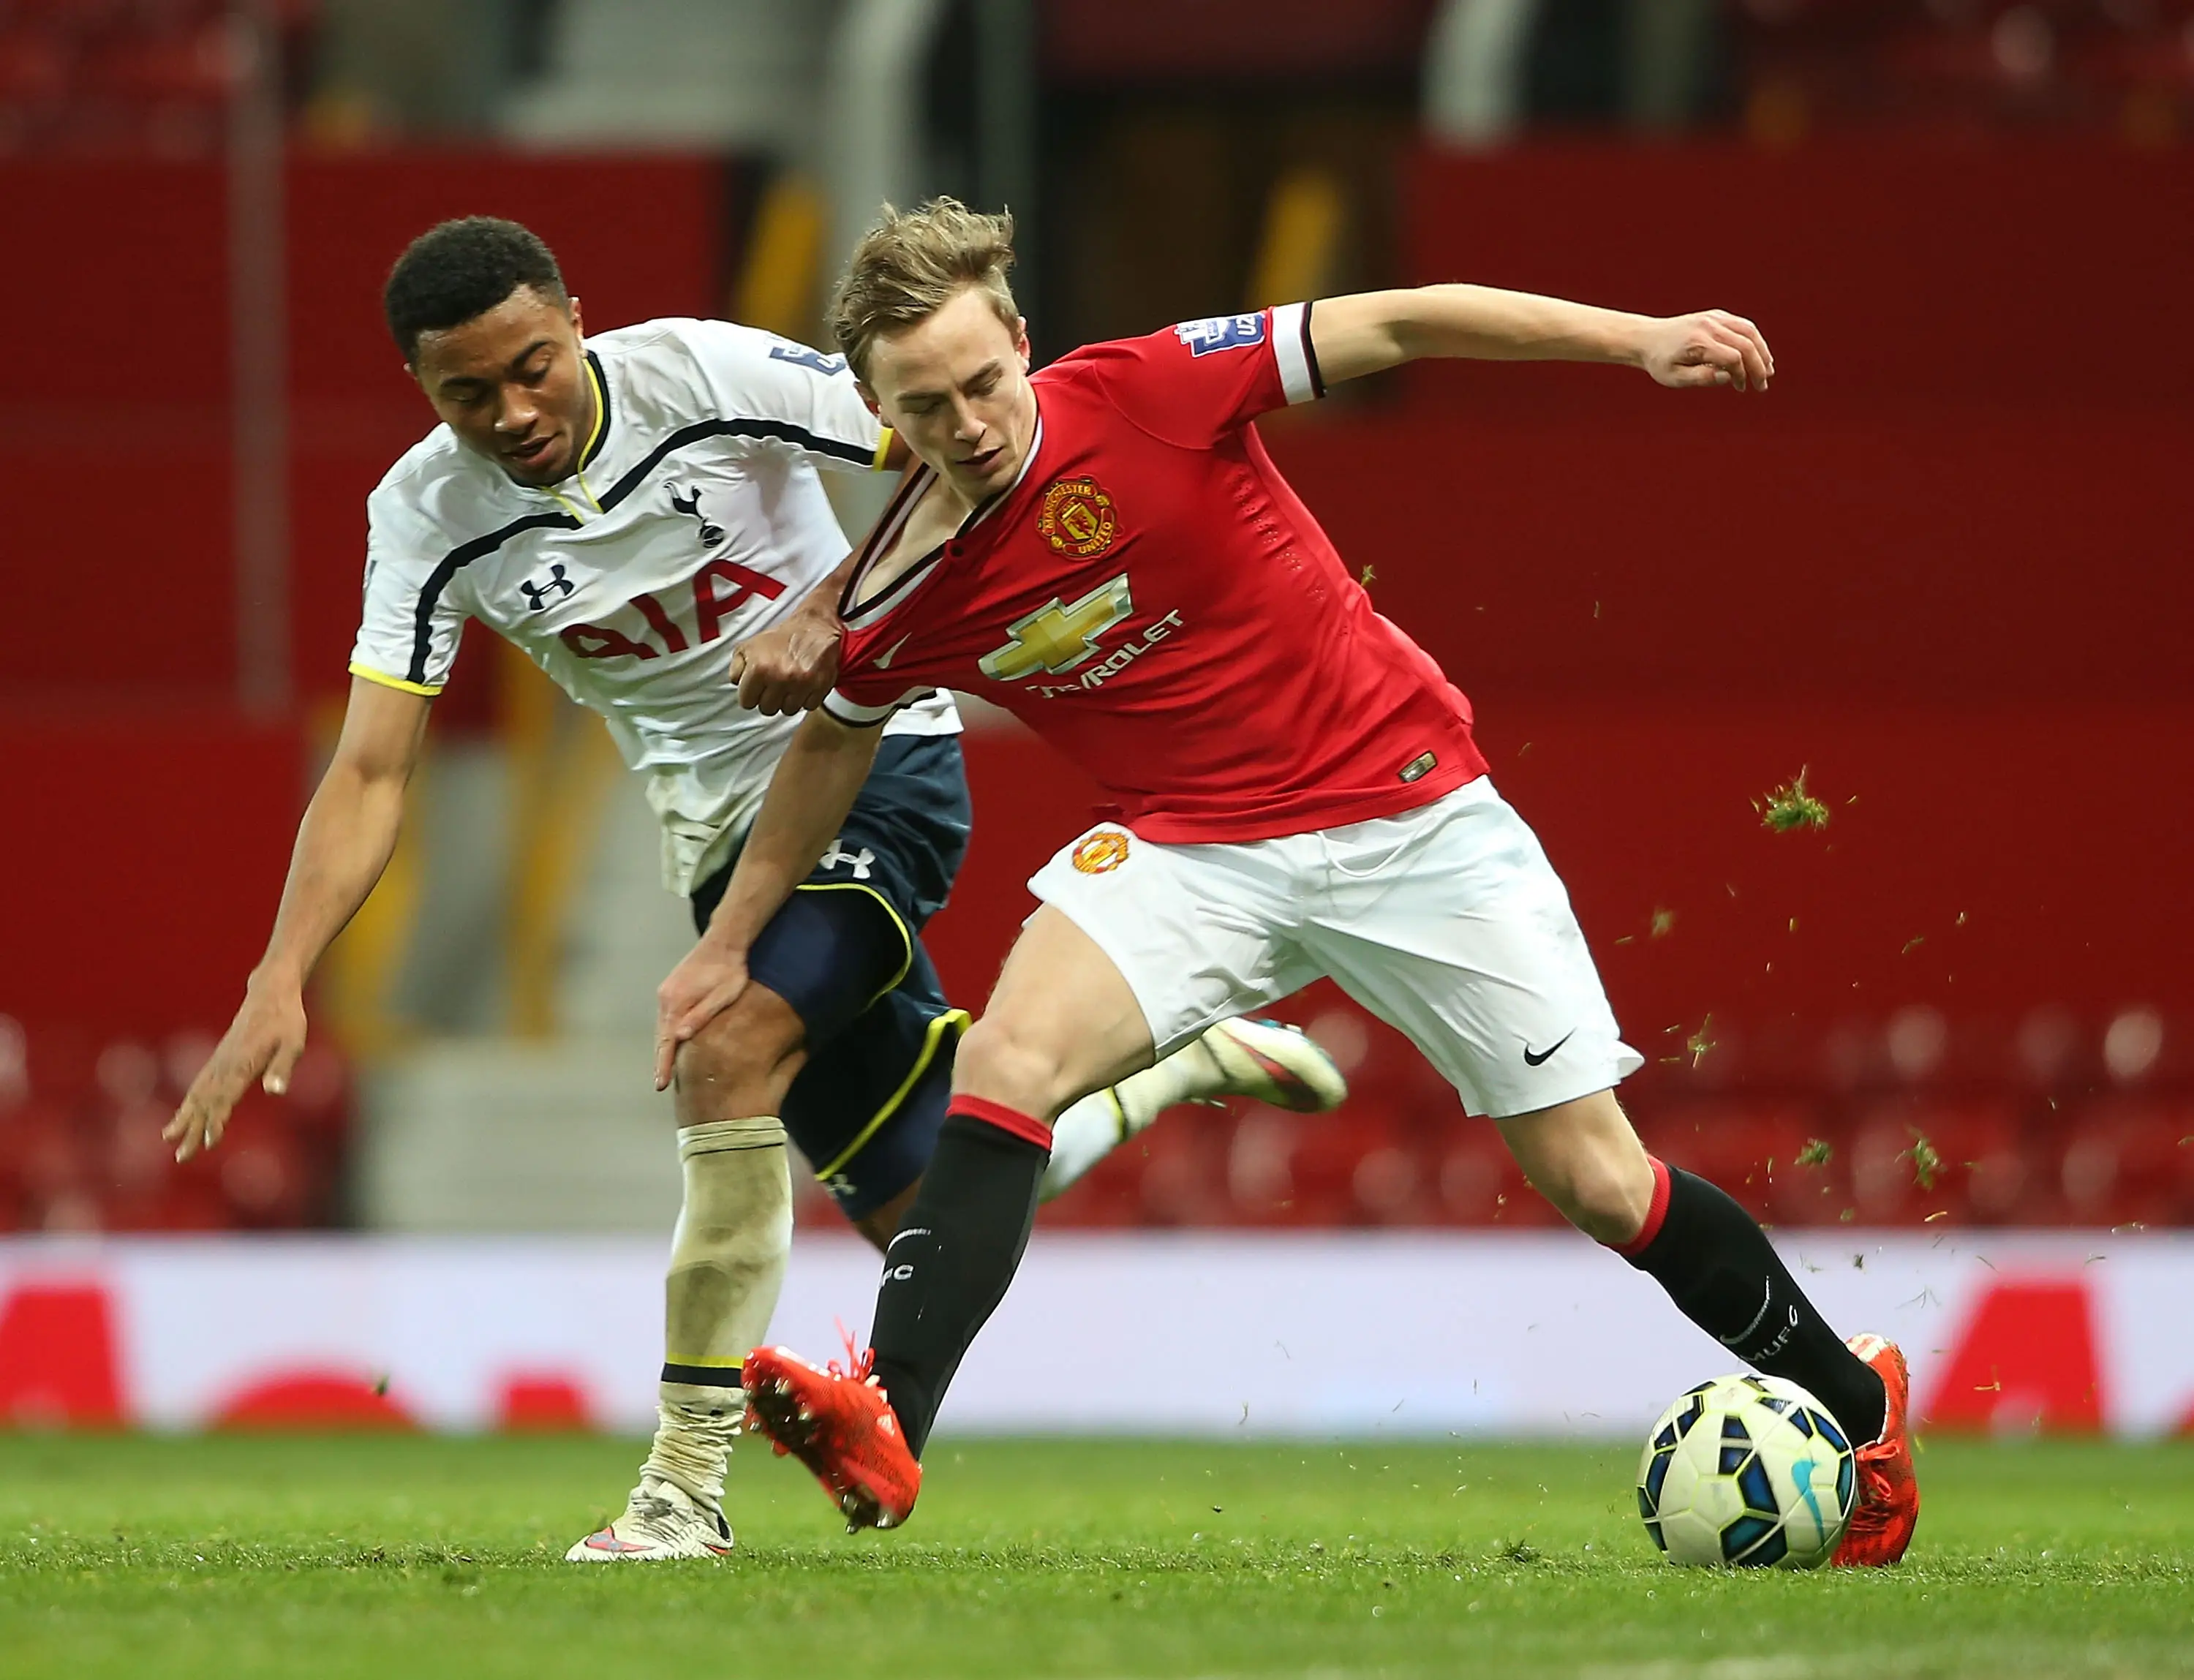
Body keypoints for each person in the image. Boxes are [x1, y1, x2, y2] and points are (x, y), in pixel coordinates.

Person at [687, 198, 1920, 1567]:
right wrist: (728, 943)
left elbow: (1398, 319)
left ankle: (1862, 1414)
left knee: (1598, 1180)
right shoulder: (898, 595)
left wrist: (1641, 342)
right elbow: (825, 750)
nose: (970, 423)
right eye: (927, 409)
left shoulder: (1149, 387)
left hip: (1409, 814)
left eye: (985, 382)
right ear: (880, 411)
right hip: (1187, 845)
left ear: (1023, 343)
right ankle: (892, 1423)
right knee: (1009, 1062)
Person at [160, 216, 1347, 1564]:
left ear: (576, 321)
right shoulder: (427, 513)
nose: (515, 411)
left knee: (726, 1051)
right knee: (921, 1205)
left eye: (535, 367)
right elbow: (374, 769)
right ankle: (1163, 1072)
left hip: (873, 763)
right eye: (469, 394)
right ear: (426, 394)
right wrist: (280, 973)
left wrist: (837, 606)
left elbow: (957, 460)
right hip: (718, 842)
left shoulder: (705, 374)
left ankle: (683, 1490)